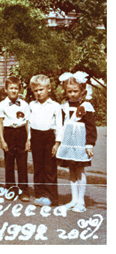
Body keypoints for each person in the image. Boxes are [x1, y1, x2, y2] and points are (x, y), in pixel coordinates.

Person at [56, 72, 96, 212]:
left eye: (75, 91)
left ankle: (81, 201)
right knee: (71, 171)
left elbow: (91, 127)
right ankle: (73, 199)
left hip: (80, 144)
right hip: (68, 143)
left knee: (80, 170)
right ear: (65, 91)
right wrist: (58, 143)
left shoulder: (86, 106)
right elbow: (60, 125)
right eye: (69, 91)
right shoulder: (64, 106)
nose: (72, 94)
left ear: (82, 90)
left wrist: (89, 144)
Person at [28, 74, 63, 207]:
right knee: (38, 167)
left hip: (49, 137)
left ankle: (51, 196)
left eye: (41, 89)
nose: (38, 93)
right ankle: (40, 194)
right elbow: (29, 123)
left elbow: (59, 126)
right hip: (36, 136)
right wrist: (29, 140)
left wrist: (57, 143)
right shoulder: (32, 105)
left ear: (48, 89)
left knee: (49, 167)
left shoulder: (55, 106)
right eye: (36, 90)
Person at [0, 76, 31, 201]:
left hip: (21, 133)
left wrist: (28, 139)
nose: (13, 91)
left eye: (16, 88)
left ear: (19, 89)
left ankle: (23, 190)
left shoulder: (25, 105)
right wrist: (2, 140)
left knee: (22, 164)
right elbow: (0, 122)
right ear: (6, 89)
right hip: (8, 133)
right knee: (9, 163)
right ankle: (10, 188)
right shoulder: (2, 105)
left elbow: (27, 123)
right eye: (11, 88)